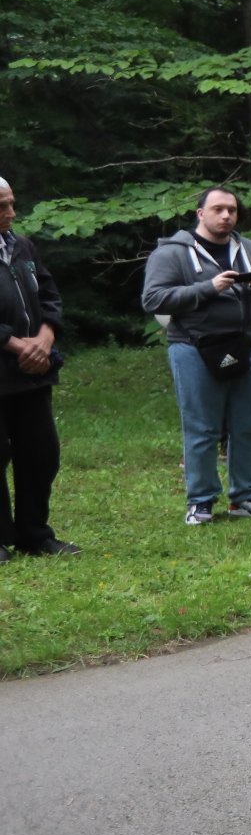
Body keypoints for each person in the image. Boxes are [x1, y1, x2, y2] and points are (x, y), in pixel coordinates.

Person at [139, 186, 251, 525]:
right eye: (218, 209)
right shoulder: (172, 252)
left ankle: (245, 496)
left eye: (231, 210)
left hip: (247, 345)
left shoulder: (249, 249)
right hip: (194, 348)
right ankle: (200, 502)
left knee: (248, 426)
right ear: (200, 213)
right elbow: (153, 299)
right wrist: (208, 288)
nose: (226, 215)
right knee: (202, 427)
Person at [0, 177, 78, 561]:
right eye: (2, 206)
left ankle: (35, 535)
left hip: (31, 371)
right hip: (5, 363)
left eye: (12, 203)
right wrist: (13, 343)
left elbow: (49, 295)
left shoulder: (23, 246)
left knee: (41, 453)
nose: (11, 213)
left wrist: (45, 337)